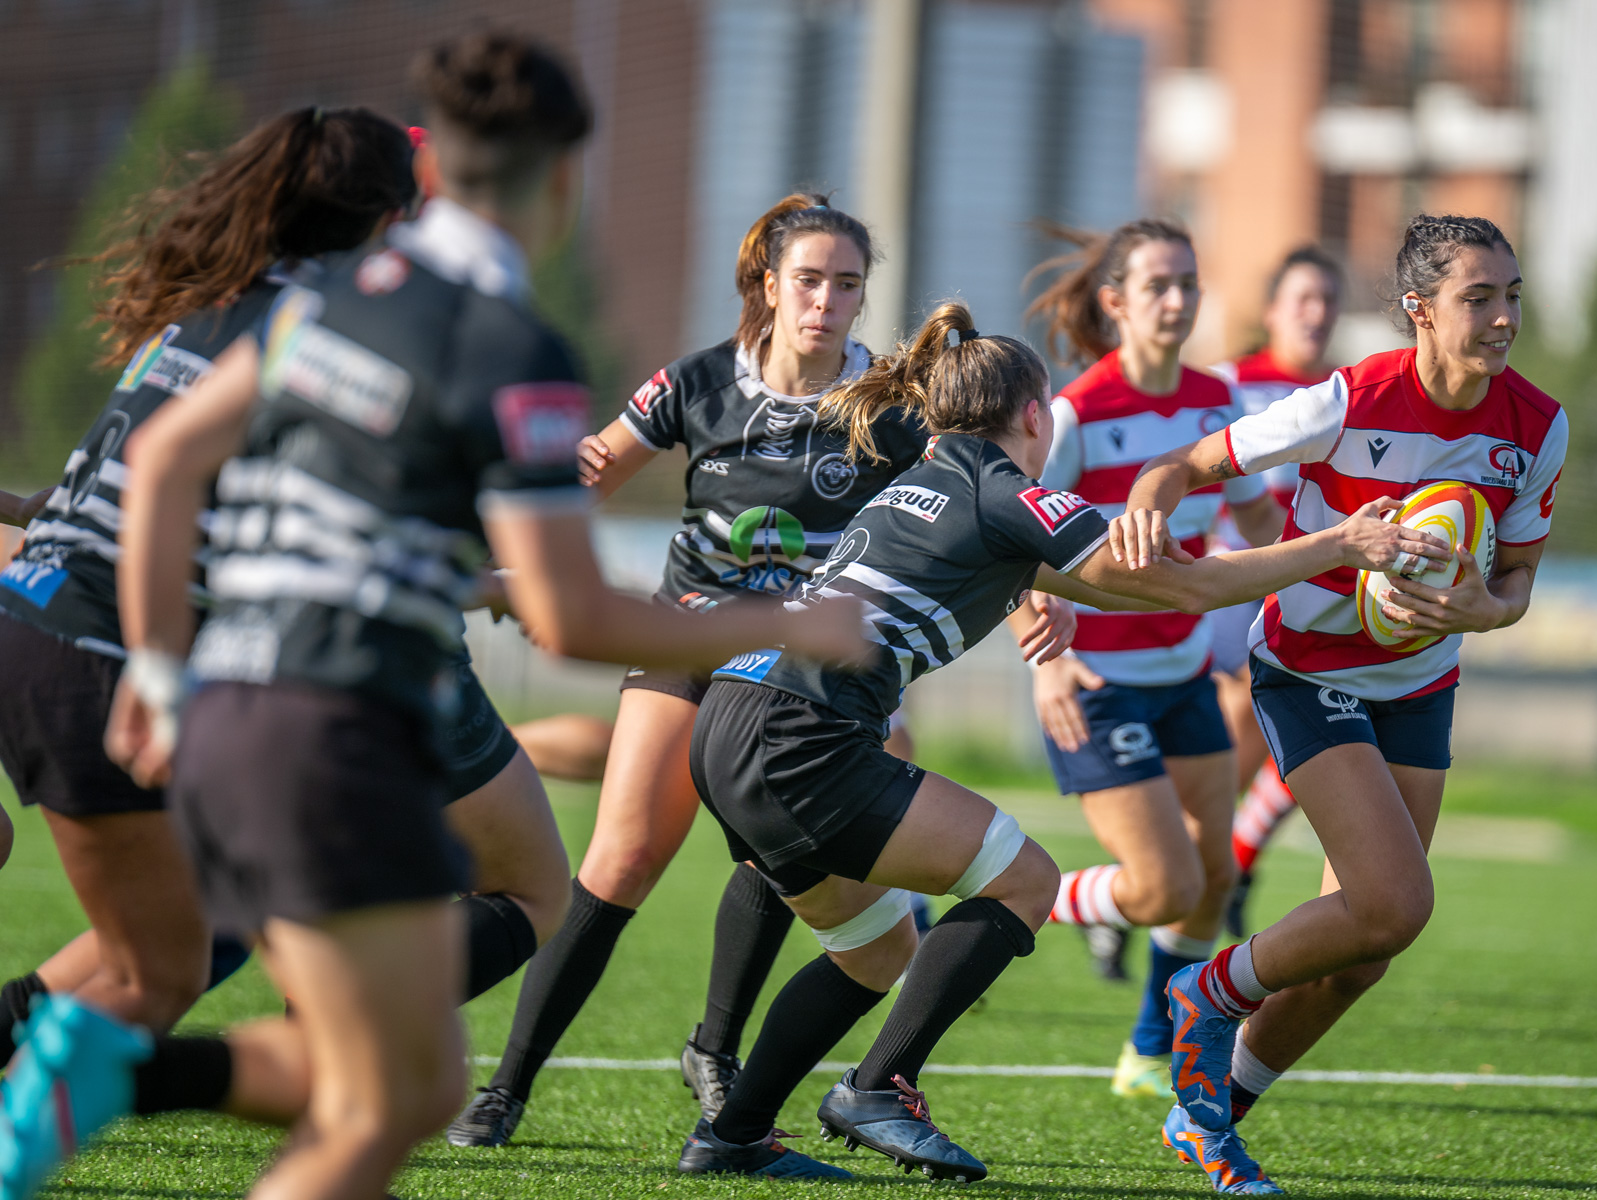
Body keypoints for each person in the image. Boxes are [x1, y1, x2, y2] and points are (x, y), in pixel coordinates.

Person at [0, 33, 865, 1200]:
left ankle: (102, 1064)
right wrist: (792, 630)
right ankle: (106, 1066)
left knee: (386, 1076)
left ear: (438, 173)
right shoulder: (515, 351)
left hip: (225, 697)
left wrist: (156, 674)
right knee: (391, 1083)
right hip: (333, 721)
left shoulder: (315, 305)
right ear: (562, 181)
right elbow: (570, 620)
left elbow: (156, 471)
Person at [676, 299, 1447, 1182]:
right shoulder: (1004, 488)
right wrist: (1339, 543)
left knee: (877, 952)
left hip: (732, 713)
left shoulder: (925, 475)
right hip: (801, 733)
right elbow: (1176, 587)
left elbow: (1073, 577)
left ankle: (732, 1135)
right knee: (1025, 878)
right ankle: (881, 1086)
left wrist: (1042, 592)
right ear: (1037, 416)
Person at [446, 192, 1074, 1145]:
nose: (827, 299)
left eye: (849, 283)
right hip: (687, 647)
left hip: (801, 669)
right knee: (621, 860)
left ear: (866, 298)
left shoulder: (891, 408)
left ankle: (719, 1050)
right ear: (768, 285)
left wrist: (1039, 592)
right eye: (810, 279)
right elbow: (587, 473)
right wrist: (521, 554)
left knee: (795, 840)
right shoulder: (697, 382)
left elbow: (967, 509)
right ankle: (508, 1088)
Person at [0, 106, 575, 1076]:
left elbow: (131, 481)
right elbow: (332, 549)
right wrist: (499, 584)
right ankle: (317, 1064)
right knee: (175, 963)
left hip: (31, 615)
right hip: (133, 654)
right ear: (400, 215)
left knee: (181, 932)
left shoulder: (213, 307)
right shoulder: (335, 328)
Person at [1112, 214, 1566, 1194]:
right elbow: (1191, 465)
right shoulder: (1349, 400)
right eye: (1477, 299)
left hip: (1421, 690)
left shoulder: (1539, 425)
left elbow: (1518, 579)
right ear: (1419, 311)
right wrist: (1152, 494)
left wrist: (1483, 610)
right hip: (1308, 671)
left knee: (1364, 952)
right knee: (1397, 903)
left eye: (1511, 297)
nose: (1501, 320)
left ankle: (1209, 1114)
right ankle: (1206, 992)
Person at [1012, 219, 1285, 1101]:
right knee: (1163, 884)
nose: (1178, 301)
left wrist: (1310, 550)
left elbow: (1253, 520)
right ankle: (1028, 893)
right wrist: (1045, 662)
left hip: (1183, 679)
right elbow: (1009, 535)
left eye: (1189, 284)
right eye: (1159, 286)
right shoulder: (1078, 412)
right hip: (1096, 685)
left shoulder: (1217, 399)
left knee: (1210, 880)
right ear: (1117, 303)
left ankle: (1147, 1050)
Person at [1206, 246, 1343, 938]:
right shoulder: (1228, 384)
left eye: (1328, 300)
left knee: (1321, 731)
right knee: (1244, 715)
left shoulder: (1350, 394)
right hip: (1233, 577)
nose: (1317, 314)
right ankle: (1201, 867)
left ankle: (1226, 862)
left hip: (1314, 585)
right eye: (1303, 300)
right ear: (1271, 312)